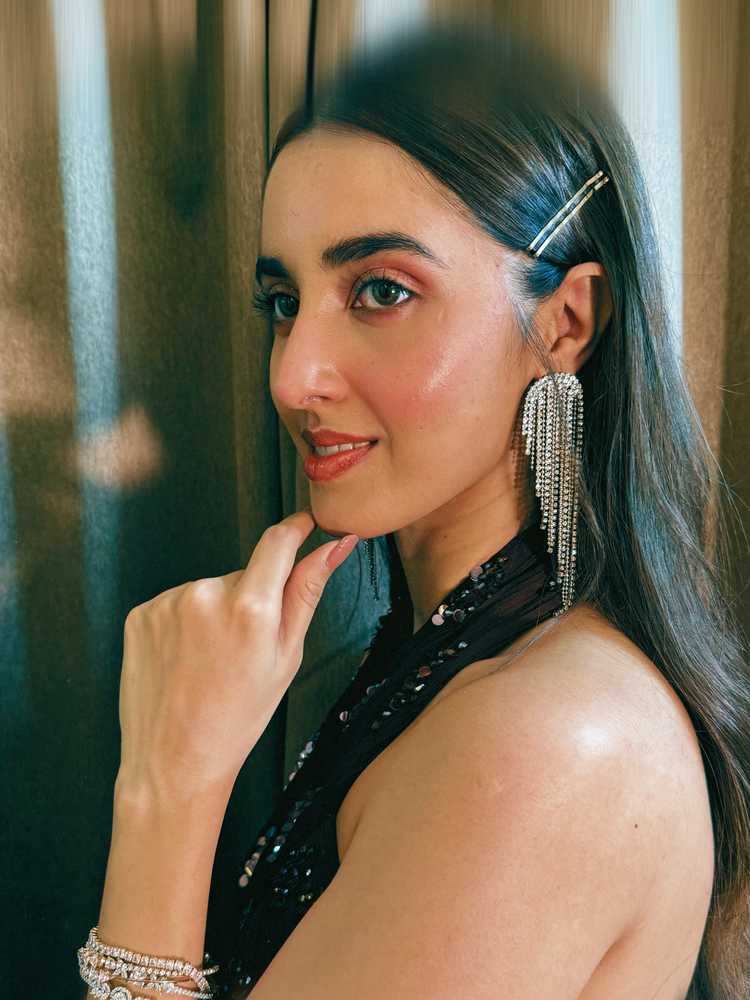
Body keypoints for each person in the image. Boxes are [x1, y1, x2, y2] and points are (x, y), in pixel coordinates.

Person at [78, 22, 750, 1000]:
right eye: (283, 301)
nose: (294, 378)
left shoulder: (552, 743)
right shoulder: (453, 660)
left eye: (382, 291)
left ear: (565, 323)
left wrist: (165, 792)